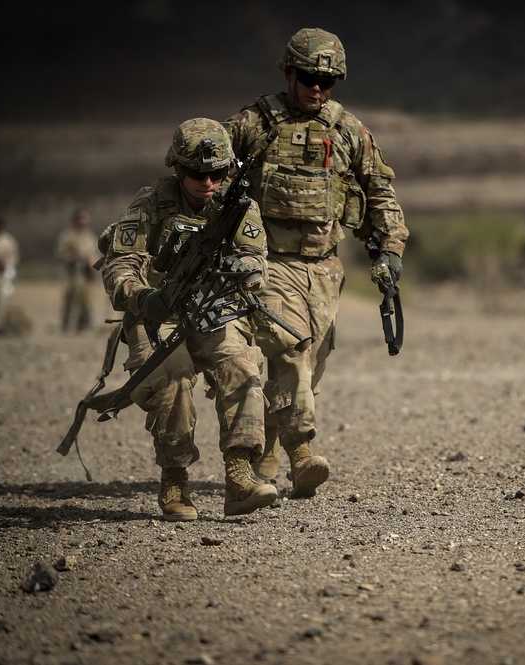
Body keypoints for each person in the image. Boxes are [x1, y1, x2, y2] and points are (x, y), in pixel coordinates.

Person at [224, 27, 409, 497]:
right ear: (289, 73)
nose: (316, 88)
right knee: (292, 351)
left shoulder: (348, 130)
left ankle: (270, 444)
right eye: (308, 77)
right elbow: (205, 172)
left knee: (312, 362)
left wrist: (390, 248)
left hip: (324, 269)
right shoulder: (255, 122)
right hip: (266, 261)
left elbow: (378, 190)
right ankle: (301, 454)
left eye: (327, 81)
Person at [99, 117, 276, 521]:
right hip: (157, 313)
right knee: (173, 377)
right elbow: (119, 265)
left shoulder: (238, 206)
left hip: (212, 306)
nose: (208, 182)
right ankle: (175, 479)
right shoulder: (150, 203)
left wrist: (244, 268)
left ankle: (239, 478)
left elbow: (256, 257)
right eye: (197, 173)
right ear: (177, 167)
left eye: (217, 173)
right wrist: (142, 295)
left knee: (242, 366)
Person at [56, 209, 100, 332]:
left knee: (87, 299)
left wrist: (91, 260)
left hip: (87, 274)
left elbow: (95, 253)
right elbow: (61, 253)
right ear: (76, 220)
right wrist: (73, 256)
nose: (83, 222)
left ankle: (84, 325)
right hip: (73, 273)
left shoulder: (90, 236)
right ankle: (66, 325)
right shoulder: (67, 236)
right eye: (81, 219)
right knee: (70, 298)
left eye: (85, 219)